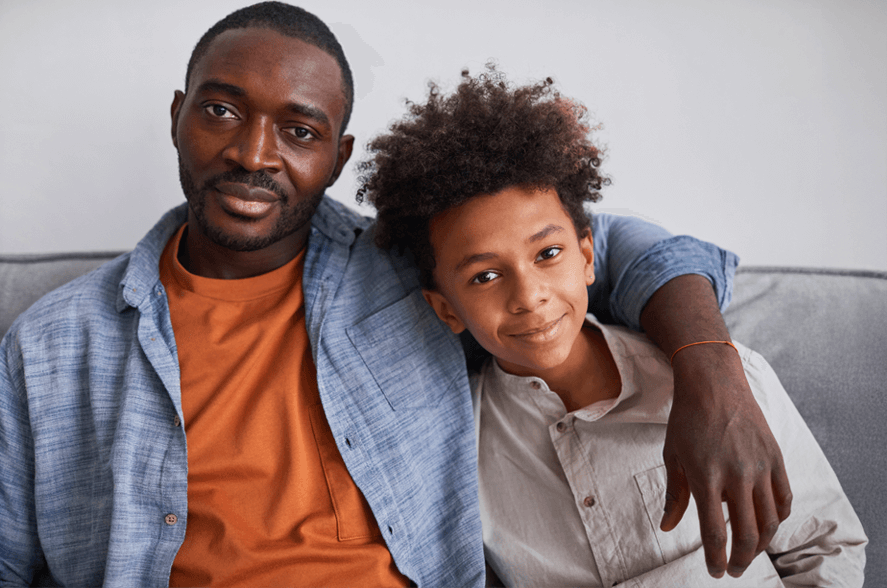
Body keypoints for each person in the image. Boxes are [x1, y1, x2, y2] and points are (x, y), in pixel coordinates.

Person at [0, 2, 787, 587]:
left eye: (299, 130)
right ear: (178, 114)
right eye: (221, 111)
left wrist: (712, 375)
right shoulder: (56, 343)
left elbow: (624, 245)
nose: (253, 153)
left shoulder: (412, 270)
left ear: (338, 155)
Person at [358, 67, 867, 586]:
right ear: (446, 309)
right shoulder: (454, 444)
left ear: (586, 257)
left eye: (548, 254)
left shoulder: (734, 384)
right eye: (485, 275)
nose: (529, 295)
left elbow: (825, 547)